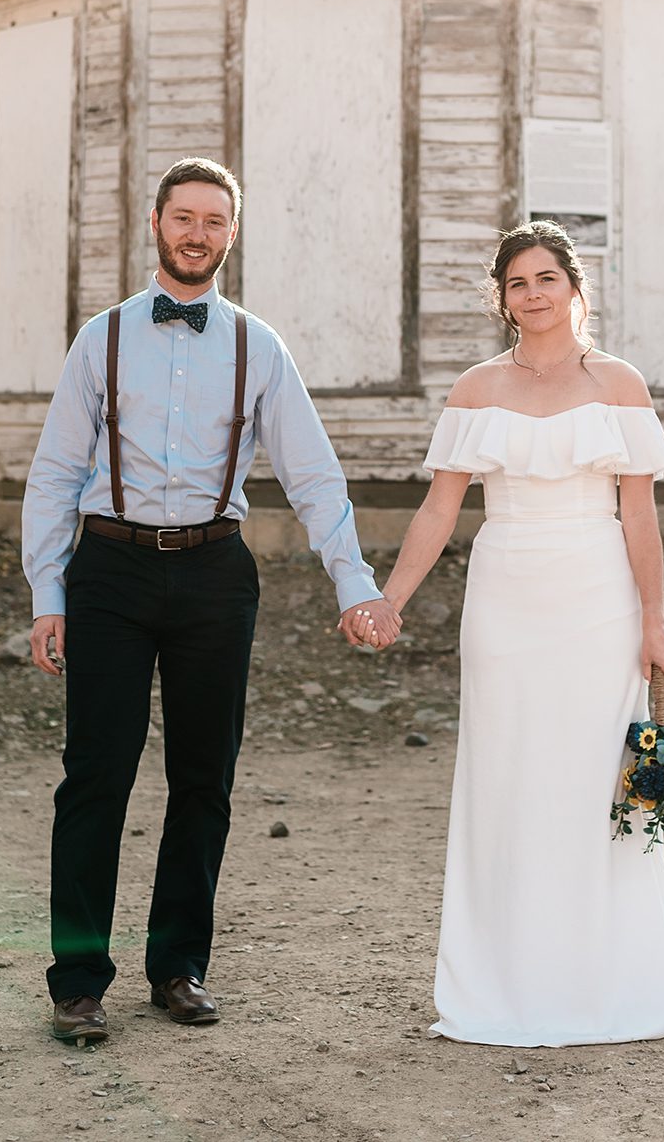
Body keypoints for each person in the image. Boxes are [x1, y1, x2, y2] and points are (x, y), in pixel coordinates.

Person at [354, 221, 664, 1047]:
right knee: (510, 775)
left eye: (547, 278)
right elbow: (440, 509)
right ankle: (507, 979)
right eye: (517, 283)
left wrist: (655, 623)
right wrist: (391, 600)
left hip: (599, 599)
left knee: (594, 784)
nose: (533, 294)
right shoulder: (476, 389)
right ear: (503, 298)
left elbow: (641, 519)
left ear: (573, 287)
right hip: (506, 596)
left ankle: (607, 975)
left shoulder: (620, 383)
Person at [23, 157, 399, 1044]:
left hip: (214, 574)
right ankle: (78, 982)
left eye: (214, 222)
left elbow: (313, 476)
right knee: (96, 777)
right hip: (108, 571)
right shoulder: (101, 338)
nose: (197, 234)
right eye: (183, 217)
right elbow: (53, 473)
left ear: (232, 234)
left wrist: (355, 583)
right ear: (156, 223)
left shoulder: (258, 346)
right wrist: (48, 592)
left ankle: (178, 967)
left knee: (205, 778)